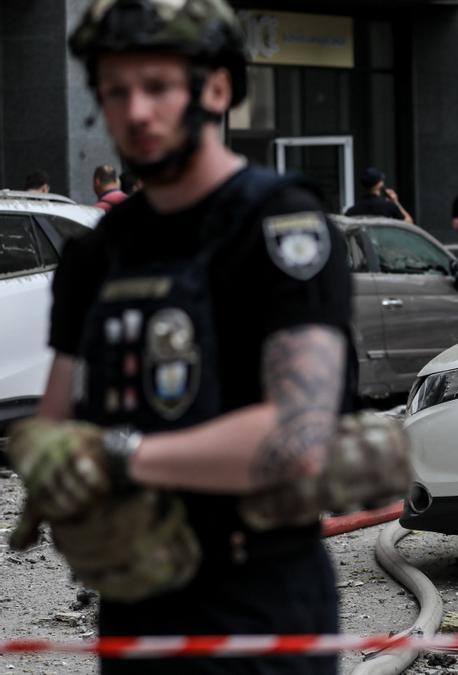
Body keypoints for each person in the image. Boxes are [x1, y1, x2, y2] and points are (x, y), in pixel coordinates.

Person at [8, 1, 358, 672]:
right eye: (116, 90)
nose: (136, 111)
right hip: (137, 607)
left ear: (217, 88)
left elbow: (298, 440)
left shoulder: (280, 224)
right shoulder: (98, 253)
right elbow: (54, 422)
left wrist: (116, 453)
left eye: (159, 86)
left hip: (261, 611)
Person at [345, 166, 413, 223]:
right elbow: (409, 223)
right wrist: (396, 202)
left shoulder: (352, 210)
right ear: (380, 184)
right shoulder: (388, 206)